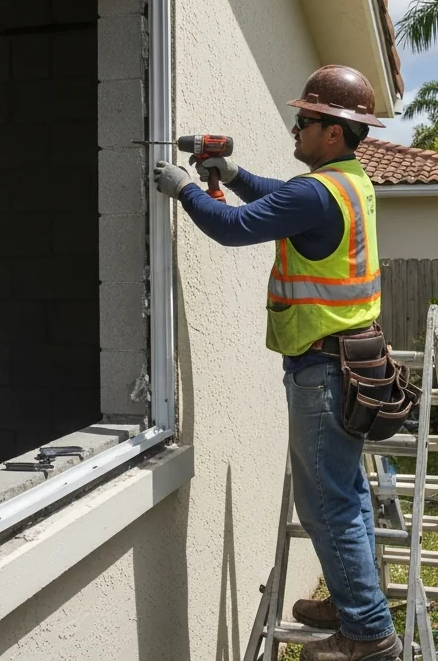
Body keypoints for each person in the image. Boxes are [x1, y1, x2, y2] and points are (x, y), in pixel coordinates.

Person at [153, 65, 401, 661]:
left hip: (324, 369)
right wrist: (234, 175)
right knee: (349, 494)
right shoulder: (349, 183)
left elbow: (236, 229)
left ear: (334, 133)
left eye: (307, 119)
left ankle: (369, 637)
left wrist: (185, 189)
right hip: (354, 360)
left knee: (327, 502)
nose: (296, 126)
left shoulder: (317, 191)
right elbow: (279, 200)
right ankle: (353, 605)